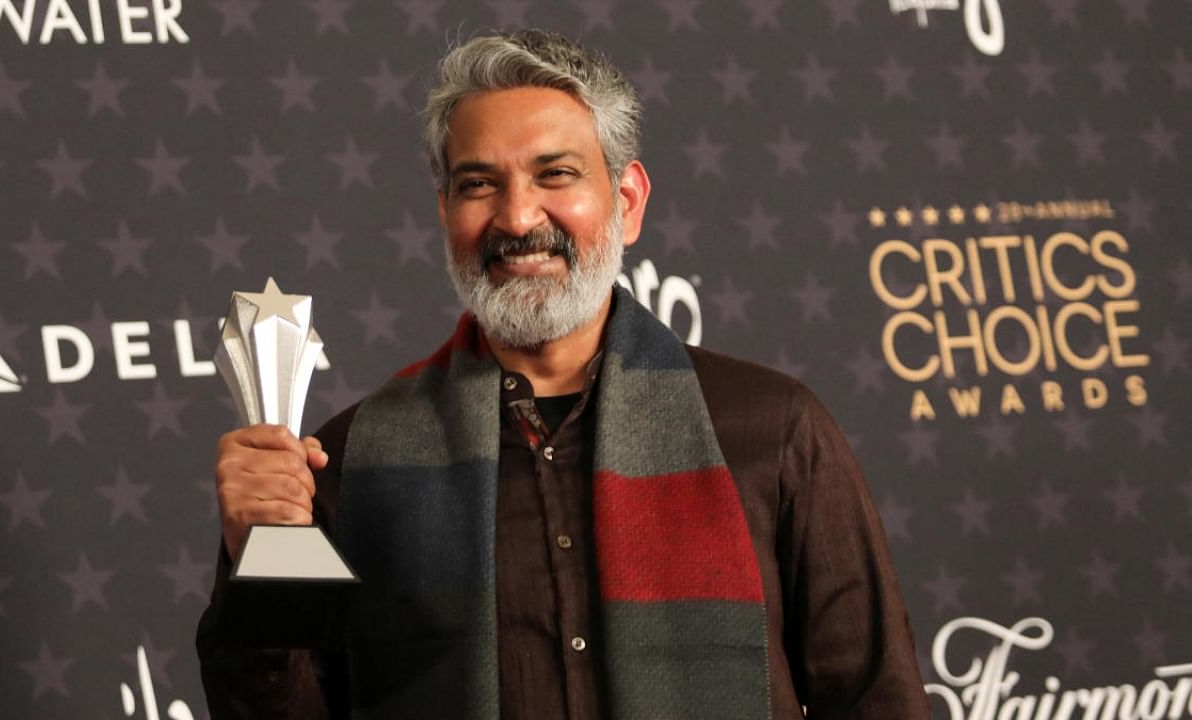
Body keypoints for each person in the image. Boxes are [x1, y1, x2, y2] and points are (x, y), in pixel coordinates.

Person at [197, 29, 931, 720]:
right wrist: (257, 554)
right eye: (479, 184)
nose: (518, 218)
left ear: (627, 200)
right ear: (444, 211)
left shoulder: (772, 429)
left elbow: (875, 700)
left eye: (557, 173)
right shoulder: (349, 461)